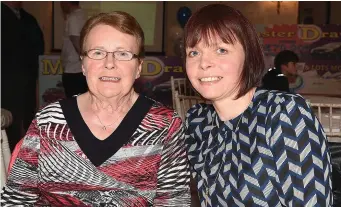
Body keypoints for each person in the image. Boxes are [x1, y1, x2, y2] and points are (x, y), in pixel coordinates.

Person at [1, 11, 190, 206]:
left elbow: (174, 202)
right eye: (98, 52)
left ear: (139, 66)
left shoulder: (166, 125)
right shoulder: (48, 121)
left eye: (123, 54)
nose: (109, 63)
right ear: (83, 64)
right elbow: (17, 199)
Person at [183, 4, 332, 206]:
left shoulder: (282, 112)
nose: (204, 63)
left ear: (248, 56)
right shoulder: (198, 122)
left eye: (221, 50)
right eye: (194, 53)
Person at [1, 1, 45, 151]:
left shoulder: (28, 19)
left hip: (27, 81)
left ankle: (25, 156)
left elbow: (39, 46)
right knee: (8, 125)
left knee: (27, 119)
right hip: (5, 82)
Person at [60, 1, 88, 98]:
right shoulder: (84, 15)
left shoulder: (74, 17)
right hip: (80, 70)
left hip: (73, 70)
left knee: (73, 106)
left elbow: (76, 42)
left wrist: (86, 60)